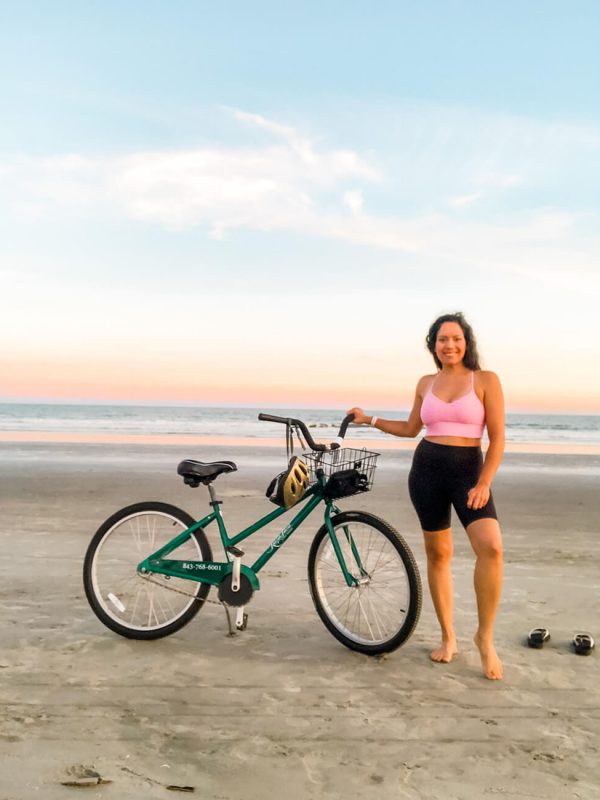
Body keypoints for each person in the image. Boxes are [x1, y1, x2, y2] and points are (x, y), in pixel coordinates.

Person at [347, 312, 504, 680]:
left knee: (491, 548)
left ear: (467, 342)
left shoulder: (485, 380)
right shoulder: (425, 383)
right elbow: (411, 428)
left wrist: (484, 482)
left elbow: (497, 438)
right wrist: (368, 419)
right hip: (427, 469)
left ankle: (485, 637)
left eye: (456, 338)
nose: (450, 345)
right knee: (438, 553)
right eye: (442, 339)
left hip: (469, 471)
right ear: (433, 345)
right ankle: (449, 637)